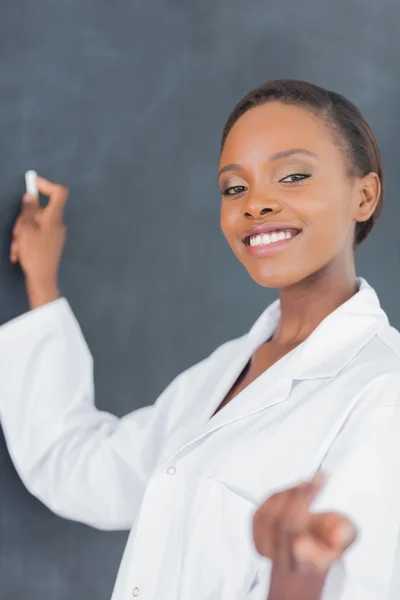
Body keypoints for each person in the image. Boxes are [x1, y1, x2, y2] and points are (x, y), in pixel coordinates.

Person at [1, 78, 399, 600]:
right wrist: (42, 283)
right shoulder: (225, 371)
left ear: (363, 195)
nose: (255, 204)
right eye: (235, 187)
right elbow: (82, 470)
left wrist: (293, 578)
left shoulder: (382, 393)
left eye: (294, 176)